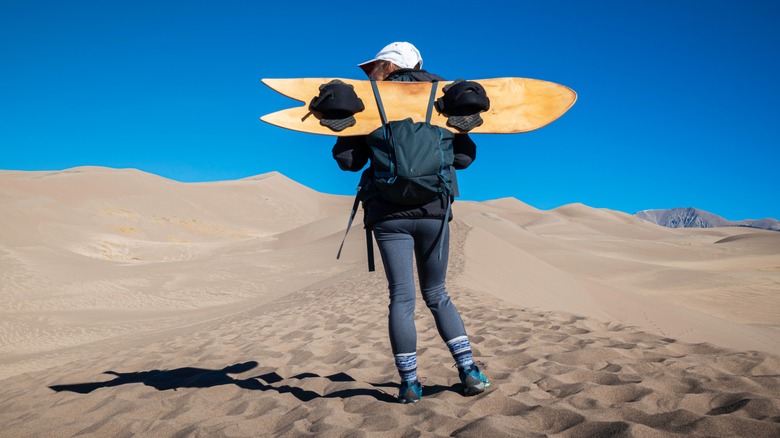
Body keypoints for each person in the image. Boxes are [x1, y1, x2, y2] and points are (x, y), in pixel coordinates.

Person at [332, 42, 490, 404]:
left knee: (401, 299)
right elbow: (464, 159)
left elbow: (347, 161)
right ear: (419, 64)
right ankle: (470, 373)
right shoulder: (443, 98)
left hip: (389, 217)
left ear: (385, 66)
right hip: (434, 211)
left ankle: (409, 384)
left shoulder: (372, 101)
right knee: (436, 294)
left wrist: (347, 129)